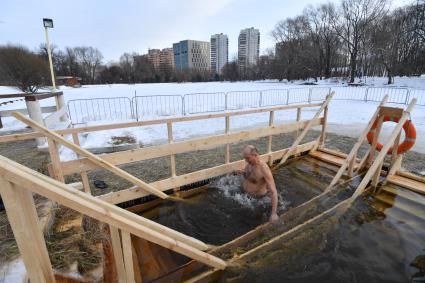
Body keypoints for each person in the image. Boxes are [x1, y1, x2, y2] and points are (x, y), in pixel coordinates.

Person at [236, 145, 279, 222]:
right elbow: (250, 176)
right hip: (244, 196)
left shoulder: (264, 169)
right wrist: (243, 173)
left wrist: (274, 214)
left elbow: (273, 191)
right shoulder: (250, 163)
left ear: (255, 155)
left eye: (247, 158)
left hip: (257, 200)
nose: (246, 160)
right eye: (245, 158)